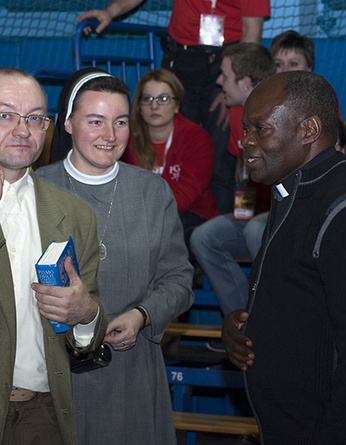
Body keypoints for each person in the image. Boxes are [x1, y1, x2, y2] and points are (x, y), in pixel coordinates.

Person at [222, 71, 346, 443]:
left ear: (308, 130)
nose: (246, 141)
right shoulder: (293, 194)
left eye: (260, 129)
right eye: (245, 129)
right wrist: (242, 327)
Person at [37, 68, 194, 444]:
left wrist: (142, 315)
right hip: (55, 373)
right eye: (96, 121)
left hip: (132, 371)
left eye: (120, 122)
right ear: (69, 124)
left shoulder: (152, 192)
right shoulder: (37, 189)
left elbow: (179, 279)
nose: (110, 136)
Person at [76, 0, 270, 215]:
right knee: (166, 144)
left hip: (225, 64)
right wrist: (110, 12)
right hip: (180, 60)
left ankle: (215, 231)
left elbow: (253, 30)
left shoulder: (229, 83)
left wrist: (233, 88)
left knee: (220, 163)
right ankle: (163, 220)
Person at [0, 68, 107, 445]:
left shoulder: (74, 215)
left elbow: (84, 339)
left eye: (35, 118)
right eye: (5, 115)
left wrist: (85, 315)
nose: (22, 130)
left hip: (42, 413)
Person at [190, 42, 275, 318]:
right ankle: (243, 320)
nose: (218, 81)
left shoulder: (280, 117)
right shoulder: (237, 114)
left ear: (247, 82)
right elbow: (245, 176)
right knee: (203, 237)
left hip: (292, 216)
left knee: (254, 231)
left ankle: (274, 318)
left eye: (224, 75)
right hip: (259, 213)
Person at [124, 68, 219, 247]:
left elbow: (185, 196)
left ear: (177, 105)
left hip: (191, 215)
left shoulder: (196, 138)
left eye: (164, 99)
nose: (154, 106)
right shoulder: (127, 138)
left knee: (164, 231)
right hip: (141, 216)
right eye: (147, 99)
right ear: (139, 108)